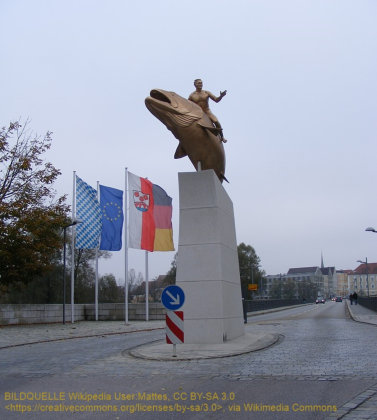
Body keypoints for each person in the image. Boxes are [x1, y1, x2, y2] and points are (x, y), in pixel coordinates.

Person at [188, 79, 227, 143]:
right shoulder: (192, 95)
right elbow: (188, 105)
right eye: (198, 83)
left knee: (216, 121)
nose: (200, 84)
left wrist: (221, 96)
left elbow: (216, 100)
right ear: (195, 85)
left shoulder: (206, 93)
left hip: (207, 111)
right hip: (198, 113)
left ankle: (222, 137)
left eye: (201, 83)